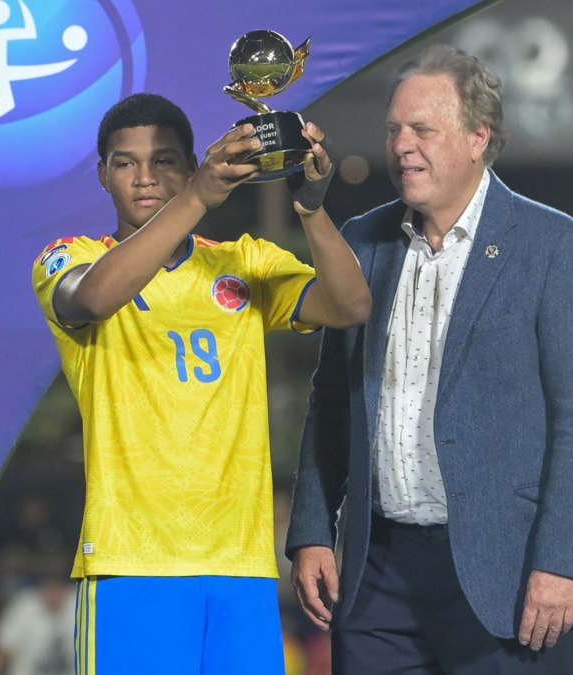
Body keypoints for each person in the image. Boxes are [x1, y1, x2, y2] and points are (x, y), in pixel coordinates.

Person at [287, 45, 573, 674]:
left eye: (423, 129)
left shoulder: (556, 245)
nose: (402, 146)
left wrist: (560, 562)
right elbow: (331, 397)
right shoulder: (361, 241)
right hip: (377, 576)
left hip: (511, 577)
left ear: (477, 137)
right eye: (393, 129)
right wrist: (311, 529)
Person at [31, 93, 371, 674]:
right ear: (103, 176)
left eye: (164, 161)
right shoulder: (68, 257)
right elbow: (92, 299)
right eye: (126, 163)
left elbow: (351, 305)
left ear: (190, 166)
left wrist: (313, 210)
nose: (145, 177)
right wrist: (196, 197)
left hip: (241, 564)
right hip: (131, 563)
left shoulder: (245, 261)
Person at [0, 556, 76, 675]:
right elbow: (0, 651)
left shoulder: (84, 604)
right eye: (49, 586)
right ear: (41, 586)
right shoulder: (24, 605)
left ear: (66, 587)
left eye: (58, 587)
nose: (53, 593)